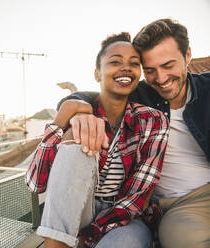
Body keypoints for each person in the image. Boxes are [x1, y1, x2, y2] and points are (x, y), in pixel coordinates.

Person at [58, 18, 210, 248]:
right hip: (168, 207)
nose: (161, 79)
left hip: (206, 191)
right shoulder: (140, 94)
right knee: (179, 238)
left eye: (168, 65)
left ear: (187, 55)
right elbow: (92, 95)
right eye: (150, 70)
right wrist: (76, 108)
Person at [25, 32, 169, 248]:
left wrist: (89, 235)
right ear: (97, 74)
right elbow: (35, 183)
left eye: (134, 63)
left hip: (125, 218)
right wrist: (64, 116)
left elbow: (139, 195)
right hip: (77, 211)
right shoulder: (77, 118)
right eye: (115, 62)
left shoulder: (152, 120)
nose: (126, 68)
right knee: (75, 139)